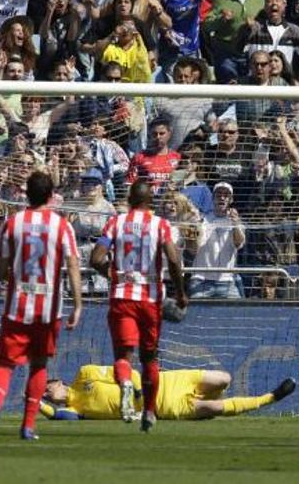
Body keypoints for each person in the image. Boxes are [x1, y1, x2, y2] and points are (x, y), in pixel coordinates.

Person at [0, 171, 83, 441]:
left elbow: (0, 271)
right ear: (50, 195)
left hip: (17, 305)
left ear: (26, 194)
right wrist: (78, 304)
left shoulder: (13, 223)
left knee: (5, 364)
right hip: (49, 308)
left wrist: (14, 278)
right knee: (39, 365)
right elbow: (72, 264)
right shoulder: (61, 225)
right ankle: (28, 425)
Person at [90, 180, 189, 433]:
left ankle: (124, 382)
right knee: (149, 358)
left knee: (123, 356)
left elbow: (96, 258)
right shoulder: (160, 225)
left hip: (122, 296)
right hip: (150, 299)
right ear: (150, 201)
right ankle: (149, 411)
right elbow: (174, 260)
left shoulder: (115, 222)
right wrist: (180, 292)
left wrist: (113, 275)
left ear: (130, 199)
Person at [39, 365, 297, 421]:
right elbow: (53, 415)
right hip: (164, 408)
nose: (48, 394)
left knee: (224, 379)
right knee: (216, 410)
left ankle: (206, 400)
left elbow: (128, 372)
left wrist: (137, 396)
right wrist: (33, 400)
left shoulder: (85, 374)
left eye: (46, 388)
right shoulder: (76, 410)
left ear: (58, 381)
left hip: (166, 382)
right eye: (45, 395)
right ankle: (272, 397)